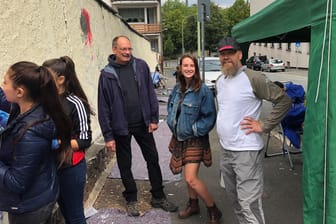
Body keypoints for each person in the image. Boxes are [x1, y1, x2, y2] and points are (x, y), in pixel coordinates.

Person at [97, 35, 177, 216]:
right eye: (123, 49)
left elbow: (150, 92)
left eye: (129, 49)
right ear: (114, 50)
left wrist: (154, 118)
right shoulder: (107, 75)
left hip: (143, 124)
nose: (127, 52)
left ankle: (158, 195)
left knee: (153, 159)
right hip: (121, 127)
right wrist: (108, 136)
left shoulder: (140, 66)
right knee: (125, 164)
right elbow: (103, 107)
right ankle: (131, 198)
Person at [215, 37, 292, 224]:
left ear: (239, 54)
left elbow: (283, 101)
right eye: (222, 54)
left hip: (246, 152)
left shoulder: (253, 78)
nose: (226, 57)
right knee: (234, 200)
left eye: (230, 53)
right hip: (226, 150)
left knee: (248, 203)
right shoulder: (220, 81)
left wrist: (264, 125)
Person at [0, 61, 72, 224]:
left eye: (5, 82)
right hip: (37, 195)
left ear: (20, 92)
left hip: (29, 208)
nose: (2, 86)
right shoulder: (25, 107)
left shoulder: (31, 133)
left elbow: (17, 182)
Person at [167, 54, 222, 224]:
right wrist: (173, 126)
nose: (189, 68)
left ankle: (213, 209)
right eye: (185, 65)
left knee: (191, 178)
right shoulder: (177, 89)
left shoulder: (202, 90)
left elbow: (209, 117)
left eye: (192, 65)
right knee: (187, 176)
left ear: (196, 69)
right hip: (179, 138)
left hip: (195, 138)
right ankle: (193, 205)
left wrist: (194, 129)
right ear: (181, 68)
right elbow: (170, 108)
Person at [43, 56, 93, 224]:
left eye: (46, 76)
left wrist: (58, 143)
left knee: (75, 215)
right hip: (50, 166)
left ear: (61, 79)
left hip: (71, 168)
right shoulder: (44, 102)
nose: (41, 80)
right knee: (64, 211)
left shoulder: (75, 103)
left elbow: (85, 139)